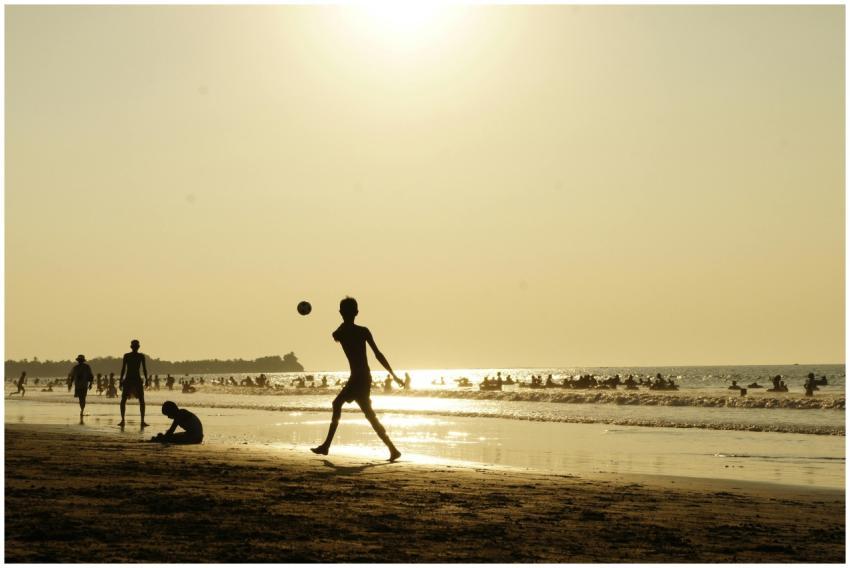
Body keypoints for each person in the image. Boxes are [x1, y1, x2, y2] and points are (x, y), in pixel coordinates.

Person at [311, 297, 402, 461]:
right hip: (364, 376)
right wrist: (393, 375)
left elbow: (337, 335)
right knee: (369, 414)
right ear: (357, 312)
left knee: (338, 404)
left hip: (358, 377)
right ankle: (393, 449)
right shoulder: (362, 331)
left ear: (341, 313)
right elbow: (378, 354)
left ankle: (326, 446)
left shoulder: (342, 332)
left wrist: (394, 375)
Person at [119, 339, 149, 427]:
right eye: (134, 346)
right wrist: (121, 380)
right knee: (124, 400)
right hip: (130, 379)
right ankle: (123, 420)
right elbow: (123, 368)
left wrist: (147, 380)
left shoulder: (140, 356)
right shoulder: (127, 356)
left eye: (136, 346)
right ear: (132, 347)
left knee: (141, 400)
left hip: (135, 379)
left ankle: (141, 420)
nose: (135, 347)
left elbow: (144, 369)